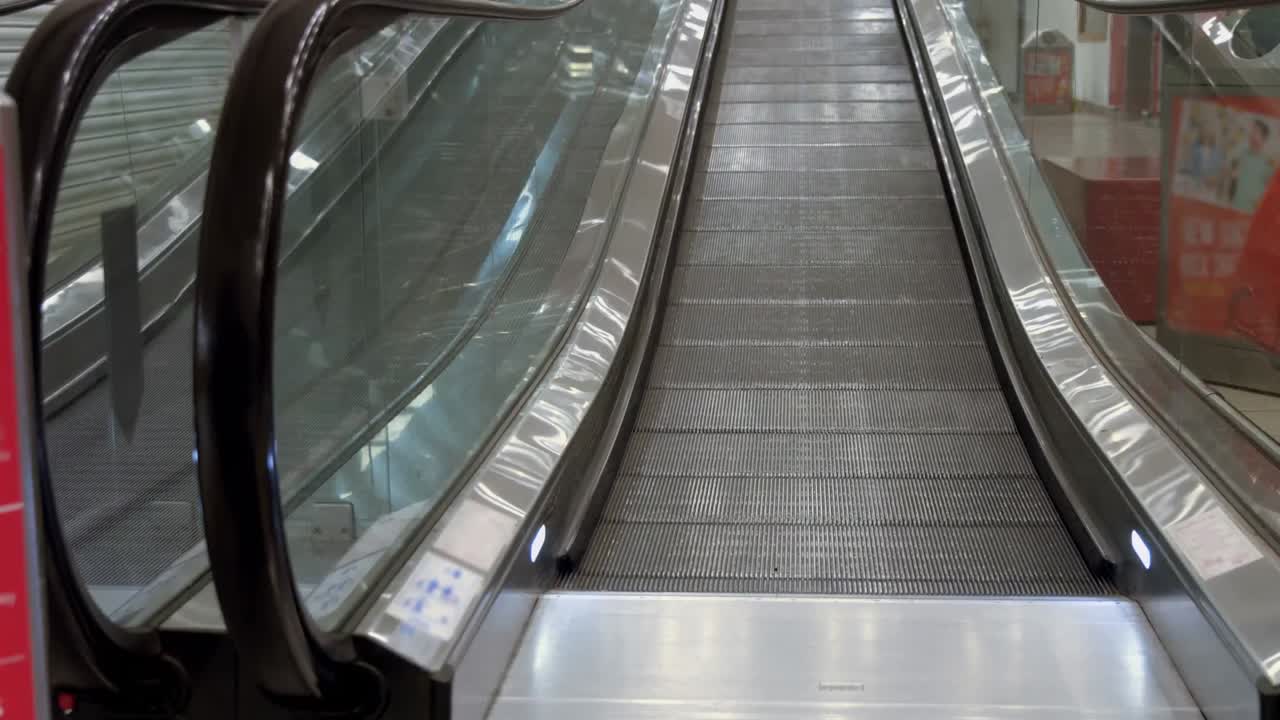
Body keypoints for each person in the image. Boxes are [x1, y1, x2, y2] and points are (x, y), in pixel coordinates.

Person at [1231, 119, 1276, 212]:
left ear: (1263, 138)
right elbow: (1234, 176)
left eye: (1255, 132)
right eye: (1251, 131)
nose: (1251, 134)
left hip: (1253, 212)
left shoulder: (1269, 162)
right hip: (1236, 207)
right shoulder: (1242, 154)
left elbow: (1272, 190)